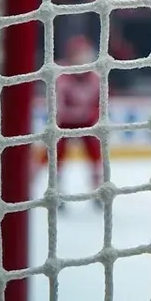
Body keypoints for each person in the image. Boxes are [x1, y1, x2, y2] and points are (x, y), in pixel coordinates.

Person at [52, 36, 103, 206]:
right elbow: (57, 102)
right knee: (56, 157)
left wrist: (93, 115)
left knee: (95, 156)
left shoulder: (96, 77)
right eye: (78, 54)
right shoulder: (61, 75)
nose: (82, 58)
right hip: (64, 123)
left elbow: (99, 102)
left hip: (87, 122)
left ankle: (97, 191)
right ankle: (57, 191)